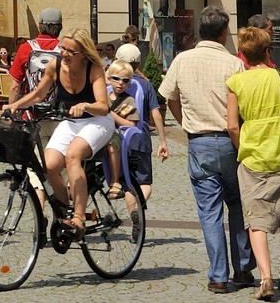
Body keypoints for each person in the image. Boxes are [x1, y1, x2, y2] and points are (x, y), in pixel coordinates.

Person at [159, 5, 254, 294]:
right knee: (238, 205)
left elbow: (167, 96)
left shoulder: (182, 60)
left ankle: (218, 276)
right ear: (224, 33)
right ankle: (243, 269)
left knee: (209, 211)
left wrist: (184, 119)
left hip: (198, 141)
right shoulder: (235, 64)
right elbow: (245, 105)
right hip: (230, 141)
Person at [226, 25, 280, 300]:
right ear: (267, 50)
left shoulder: (236, 83)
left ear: (242, 54)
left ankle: (265, 278)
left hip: (253, 157)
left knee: (256, 221)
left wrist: (244, 148)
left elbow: (232, 127)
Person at [16, 28, 114, 235]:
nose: (65, 54)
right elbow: (38, 94)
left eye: (71, 51)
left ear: (84, 54)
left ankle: (79, 218)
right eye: (63, 48)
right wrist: (15, 105)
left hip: (98, 120)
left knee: (73, 155)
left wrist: (86, 106)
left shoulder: (94, 68)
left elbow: (103, 106)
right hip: (72, 121)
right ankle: (63, 214)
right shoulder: (55, 65)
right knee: (49, 165)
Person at [115, 43, 170, 200]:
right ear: (139, 63)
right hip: (140, 139)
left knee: (125, 181)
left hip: (118, 137)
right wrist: (162, 141)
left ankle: (133, 209)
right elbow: (156, 114)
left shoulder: (113, 83)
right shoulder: (146, 84)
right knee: (144, 182)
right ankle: (137, 209)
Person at [8, 7, 63, 107]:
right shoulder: (65, 50)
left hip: (31, 111)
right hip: (59, 113)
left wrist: (11, 109)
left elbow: (15, 87)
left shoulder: (26, 48)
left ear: (39, 27)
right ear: (60, 28)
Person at [104, 61, 140, 197]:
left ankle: (115, 181)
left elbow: (132, 124)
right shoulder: (103, 98)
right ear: (109, 79)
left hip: (118, 134)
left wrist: (111, 114)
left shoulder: (129, 100)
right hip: (101, 131)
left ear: (129, 83)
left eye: (125, 80)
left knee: (112, 144)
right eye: (116, 79)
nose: (120, 83)